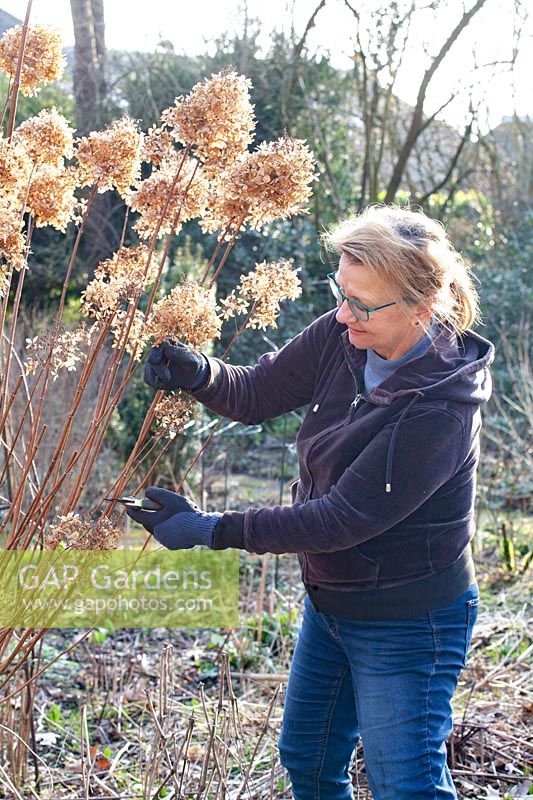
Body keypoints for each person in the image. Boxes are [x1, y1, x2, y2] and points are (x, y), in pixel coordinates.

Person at [127, 204, 494, 800]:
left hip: (408, 620)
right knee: (308, 756)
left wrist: (209, 529)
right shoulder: (343, 334)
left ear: (422, 307)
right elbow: (258, 391)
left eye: (362, 304)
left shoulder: (440, 410)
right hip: (332, 602)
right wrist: (200, 374)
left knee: (406, 784)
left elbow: (340, 519)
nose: (343, 313)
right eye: (340, 292)